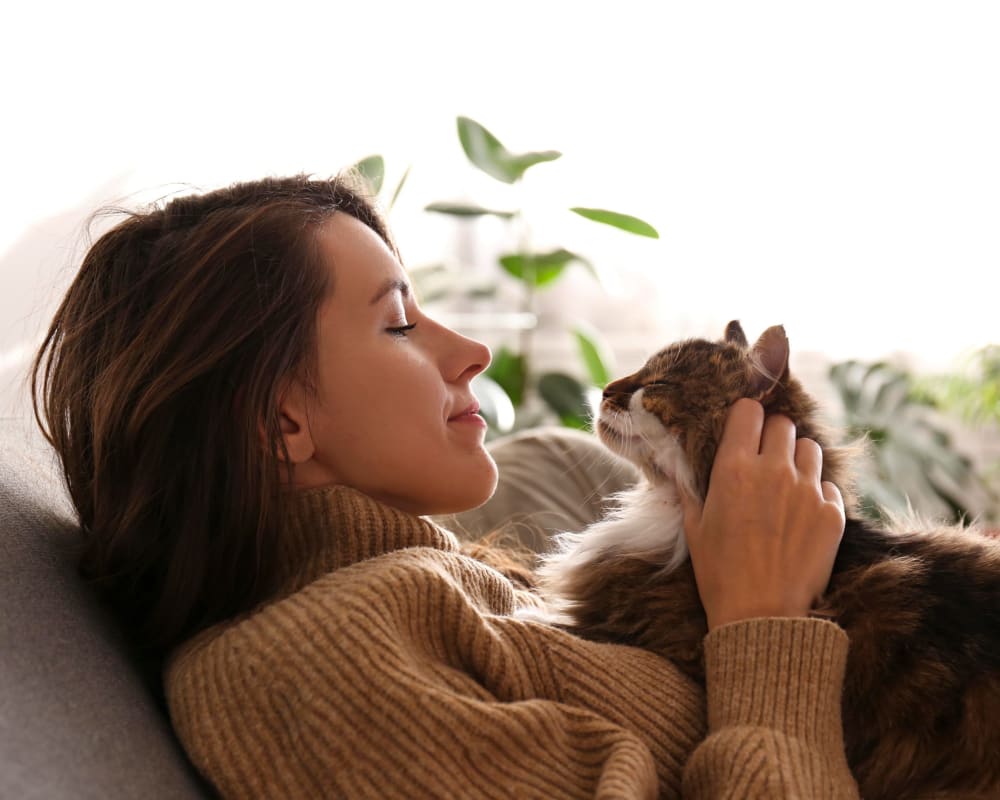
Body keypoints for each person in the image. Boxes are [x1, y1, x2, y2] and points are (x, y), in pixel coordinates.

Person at [31, 174, 858, 798]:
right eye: (399, 323)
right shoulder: (311, 666)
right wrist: (767, 630)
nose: (472, 350)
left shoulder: (444, 590)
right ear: (281, 425)